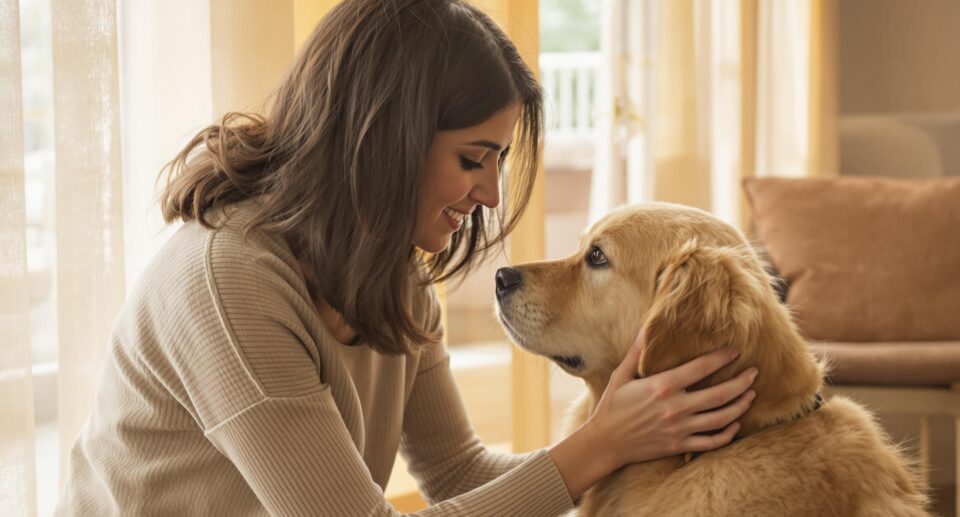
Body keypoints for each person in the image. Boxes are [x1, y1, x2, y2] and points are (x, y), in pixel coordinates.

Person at [54, 0, 757, 515]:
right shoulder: (228, 281)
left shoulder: (396, 277)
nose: (488, 193)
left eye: (498, 162)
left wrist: (634, 454)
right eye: (472, 158)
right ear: (383, 136)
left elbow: (458, 471)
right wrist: (598, 446)